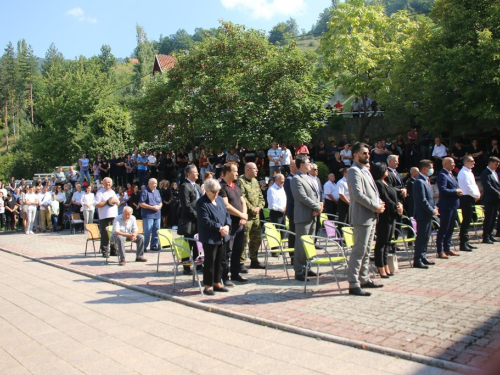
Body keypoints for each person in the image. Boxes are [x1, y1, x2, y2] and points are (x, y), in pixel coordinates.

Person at [346, 143, 385, 296]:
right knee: (359, 250)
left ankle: (364, 278)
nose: (367, 155)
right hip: (362, 216)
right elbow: (357, 195)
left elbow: (372, 192)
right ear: (355, 155)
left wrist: (378, 204)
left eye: (368, 153)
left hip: (370, 216)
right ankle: (353, 283)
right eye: (364, 153)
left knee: (367, 250)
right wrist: (375, 206)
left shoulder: (366, 170)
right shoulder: (354, 171)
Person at [290, 155, 323, 282]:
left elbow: (316, 195)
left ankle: (307, 267)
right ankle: (298, 270)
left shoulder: (310, 178)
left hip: (312, 214)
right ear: (302, 164)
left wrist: (318, 206)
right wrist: (317, 207)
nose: (310, 164)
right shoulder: (296, 179)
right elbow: (302, 197)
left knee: (310, 243)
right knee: (301, 244)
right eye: (308, 162)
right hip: (303, 215)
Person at [196, 179, 232, 295]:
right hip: (210, 237)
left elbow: (227, 215)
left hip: (222, 236)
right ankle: (208, 285)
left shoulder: (220, 200)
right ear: (206, 190)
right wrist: (219, 228)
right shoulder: (201, 202)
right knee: (210, 262)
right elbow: (205, 220)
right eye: (214, 192)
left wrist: (227, 226)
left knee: (221, 261)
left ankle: (217, 282)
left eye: (218, 191)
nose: (216, 194)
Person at [219, 162, 248, 284]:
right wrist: (241, 214)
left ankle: (235, 273)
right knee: (227, 251)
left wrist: (244, 216)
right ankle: (224, 277)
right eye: (235, 171)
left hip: (240, 223)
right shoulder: (221, 187)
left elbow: (243, 202)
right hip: (229, 224)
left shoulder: (236, 186)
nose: (237, 173)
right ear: (227, 172)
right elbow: (226, 205)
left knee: (238, 249)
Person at [372, 163, 401, 277]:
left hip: (392, 215)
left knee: (388, 242)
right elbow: (385, 198)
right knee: (381, 242)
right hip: (384, 216)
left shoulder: (387, 182)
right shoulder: (378, 183)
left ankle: (385, 264)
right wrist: (395, 206)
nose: (387, 171)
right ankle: (380, 266)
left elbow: (394, 195)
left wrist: (398, 204)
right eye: (385, 170)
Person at [238, 163, 266, 270]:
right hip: (247, 216)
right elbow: (242, 198)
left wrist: (259, 207)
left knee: (256, 239)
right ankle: (240, 262)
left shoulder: (255, 181)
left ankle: (254, 260)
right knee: (244, 239)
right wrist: (251, 208)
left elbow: (260, 196)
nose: (257, 170)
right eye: (255, 169)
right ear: (248, 170)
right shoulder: (241, 181)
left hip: (256, 216)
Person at [413, 160, 439, 269]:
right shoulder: (419, 181)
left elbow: (430, 198)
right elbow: (422, 200)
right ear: (424, 169)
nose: (432, 170)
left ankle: (423, 256)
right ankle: (417, 259)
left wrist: (434, 208)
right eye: (430, 168)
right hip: (422, 214)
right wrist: (432, 210)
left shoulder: (426, 180)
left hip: (428, 213)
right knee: (421, 237)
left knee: (427, 236)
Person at [435, 157, 463, 258]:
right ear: (445, 164)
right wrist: (456, 191)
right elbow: (443, 190)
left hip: (453, 205)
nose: (454, 164)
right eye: (452, 163)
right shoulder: (442, 175)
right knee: (444, 229)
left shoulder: (451, 174)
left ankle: (447, 248)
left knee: (451, 228)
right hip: (446, 206)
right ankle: (440, 250)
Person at [179, 165, 201, 274]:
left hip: (198, 219)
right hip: (189, 220)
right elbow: (186, 205)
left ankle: (198, 264)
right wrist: (196, 215)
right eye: (195, 172)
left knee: (198, 241)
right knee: (187, 243)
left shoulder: (197, 186)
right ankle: (186, 267)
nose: (197, 173)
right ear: (189, 174)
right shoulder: (184, 186)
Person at [457, 156, 481, 251]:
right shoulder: (463, 173)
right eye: (472, 161)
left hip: (471, 197)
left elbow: (474, 184)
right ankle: (463, 243)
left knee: (468, 220)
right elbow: (467, 187)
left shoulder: (469, 172)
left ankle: (466, 241)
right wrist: (475, 195)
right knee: (466, 220)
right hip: (466, 197)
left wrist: (478, 194)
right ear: (466, 162)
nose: (473, 163)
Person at [95, 177, 119, 257]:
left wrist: (115, 201)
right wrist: (108, 201)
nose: (108, 184)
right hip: (104, 216)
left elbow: (117, 203)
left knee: (113, 233)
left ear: (111, 184)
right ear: (103, 183)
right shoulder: (100, 193)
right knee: (105, 235)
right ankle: (104, 251)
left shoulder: (113, 192)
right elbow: (97, 205)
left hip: (114, 216)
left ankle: (113, 250)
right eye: (106, 182)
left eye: (109, 182)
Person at [480, 157, 500, 244]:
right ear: (491, 163)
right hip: (489, 199)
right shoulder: (486, 173)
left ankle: (490, 234)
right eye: (496, 164)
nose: (497, 166)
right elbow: (488, 186)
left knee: (493, 217)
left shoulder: (494, 173)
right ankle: (486, 236)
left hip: (495, 199)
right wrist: (498, 193)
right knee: (488, 218)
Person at [139, 178, 162, 252]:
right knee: (147, 231)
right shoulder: (145, 191)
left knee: (156, 230)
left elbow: (160, 202)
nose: (155, 185)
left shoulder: (157, 191)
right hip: (148, 215)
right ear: (149, 184)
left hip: (157, 214)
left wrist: (159, 206)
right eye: (153, 183)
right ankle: (144, 246)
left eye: (156, 183)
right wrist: (151, 207)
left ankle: (154, 246)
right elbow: (141, 203)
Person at [284, 160, 297, 251]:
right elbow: (291, 197)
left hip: (298, 210)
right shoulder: (289, 179)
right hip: (293, 211)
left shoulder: (298, 178)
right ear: (292, 166)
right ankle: (292, 255)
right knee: (293, 233)